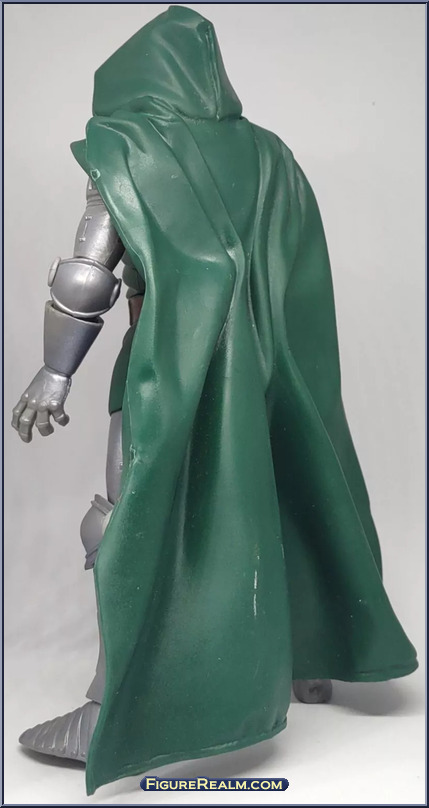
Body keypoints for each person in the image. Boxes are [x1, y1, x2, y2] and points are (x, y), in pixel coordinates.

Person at [12, 5, 417, 795]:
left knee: (124, 519)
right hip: (275, 364)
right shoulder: (271, 153)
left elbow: (87, 274)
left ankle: (111, 710)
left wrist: (55, 372)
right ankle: (310, 658)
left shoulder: (129, 148)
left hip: (170, 364)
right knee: (291, 486)